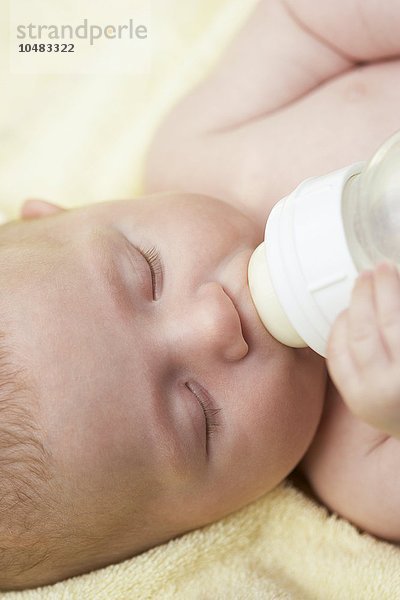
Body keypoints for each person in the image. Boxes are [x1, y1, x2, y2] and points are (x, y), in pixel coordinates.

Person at [1, 0, 400, 591]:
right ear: (193, 525)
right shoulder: (361, 459)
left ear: (76, 212)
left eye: (148, 272)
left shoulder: (204, 144)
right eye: (198, 414)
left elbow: (308, 19)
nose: (217, 321)